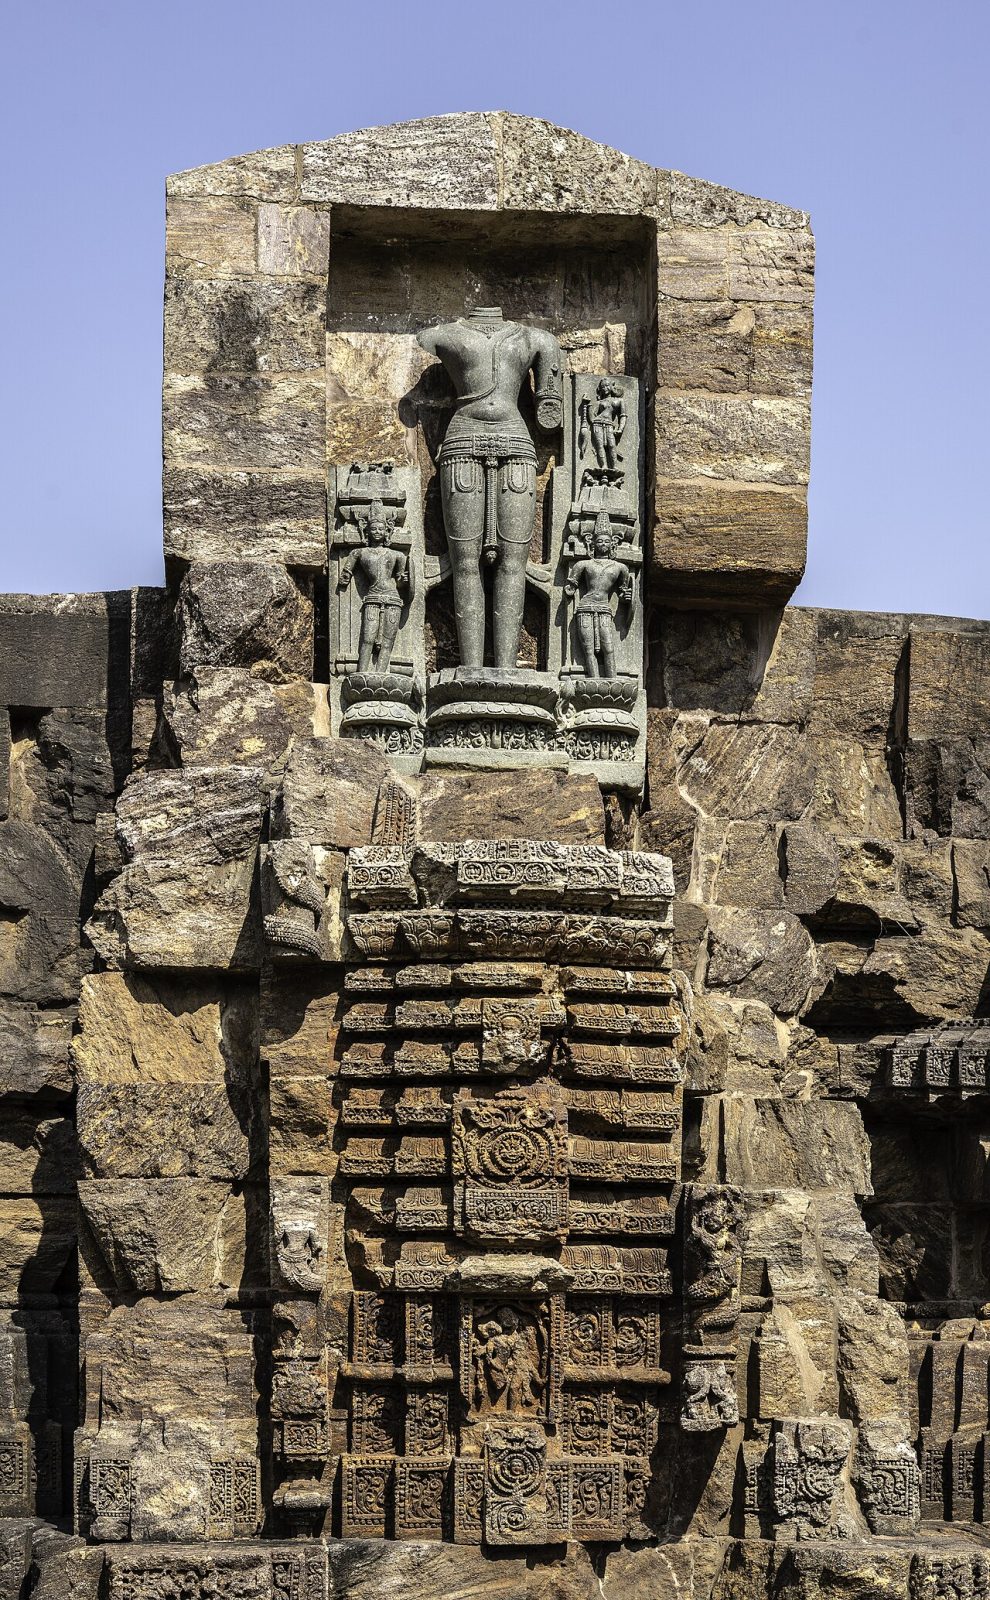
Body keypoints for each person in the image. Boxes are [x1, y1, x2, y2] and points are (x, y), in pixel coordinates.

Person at [418, 307, 563, 669]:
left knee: (513, 562)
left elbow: (550, 413)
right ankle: (471, 667)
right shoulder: (445, 333)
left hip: (515, 441)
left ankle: (507, 668)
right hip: (463, 440)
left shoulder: (536, 339)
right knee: (465, 562)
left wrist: (550, 396)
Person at [337, 499, 409, 674]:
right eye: (374, 529)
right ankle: (362, 673)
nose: (377, 532)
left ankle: (381, 674)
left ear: (387, 531)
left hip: (393, 599)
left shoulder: (398, 556)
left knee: (387, 642)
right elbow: (345, 576)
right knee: (368, 639)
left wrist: (404, 580)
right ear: (367, 530)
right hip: (372, 599)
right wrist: (345, 576)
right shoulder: (359, 553)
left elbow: (400, 582)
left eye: (381, 529)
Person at [564, 512, 633, 679]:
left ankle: (612, 680)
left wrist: (627, 597)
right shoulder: (583, 564)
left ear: (612, 544)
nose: (603, 544)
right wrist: (569, 590)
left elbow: (623, 591)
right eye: (600, 541)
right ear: (592, 543)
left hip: (604, 608)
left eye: (607, 541)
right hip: (585, 608)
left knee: (608, 648)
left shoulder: (620, 568)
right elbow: (571, 585)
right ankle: (593, 679)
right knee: (588, 649)